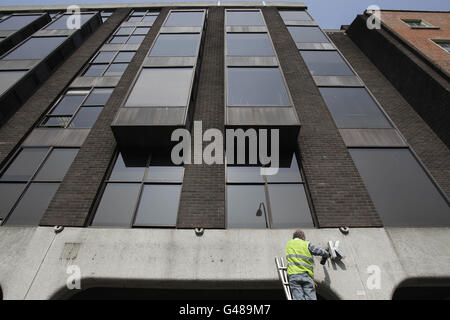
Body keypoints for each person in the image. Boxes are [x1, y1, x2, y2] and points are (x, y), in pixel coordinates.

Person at [286, 229, 329, 300]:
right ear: (303, 237)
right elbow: (320, 251)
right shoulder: (306, 244)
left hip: (293, 275)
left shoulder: (289, 244)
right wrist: (326, 254)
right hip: (306, 275)